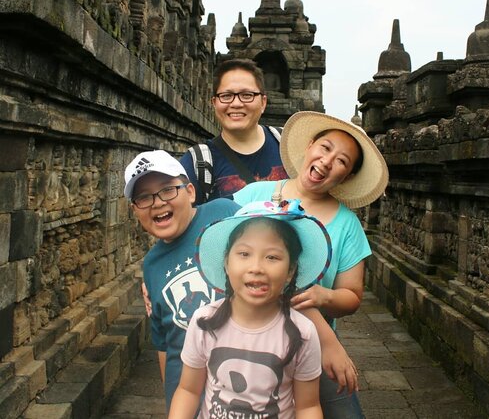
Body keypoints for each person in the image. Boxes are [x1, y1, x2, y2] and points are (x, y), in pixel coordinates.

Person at [233, 111, 389, 418]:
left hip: (312, 345)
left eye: (342, 161)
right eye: (326, 148)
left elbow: (352, 297)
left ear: (347, 177)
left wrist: (323, 296)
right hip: (246, 341)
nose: (328, 161)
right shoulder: (253, 196)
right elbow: (208, 239)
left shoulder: (347, 225)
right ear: (310, 146)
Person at [169, 199, 332, 418]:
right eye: (244, 254)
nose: (256, 268)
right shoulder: (204, 322)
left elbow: (307, 406)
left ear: (291, 270)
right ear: (226, 262)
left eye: (272, 257)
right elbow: (188, 391)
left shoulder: (302, 333)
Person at [123, 150, 240, 414]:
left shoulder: (225, 214)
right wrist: (174, 401)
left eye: (167, 190)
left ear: (190, 192)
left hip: (248, 386)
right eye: (143, 197)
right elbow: (164, 342)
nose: (157, 202)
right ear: (134, 210)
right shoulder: (152, 265)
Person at [179, 58, 287, 204]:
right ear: (214, 103)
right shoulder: (197, 163)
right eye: (226, 96)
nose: (236, 103)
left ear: (263, 102)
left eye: (247, 95)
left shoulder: (288, 144)